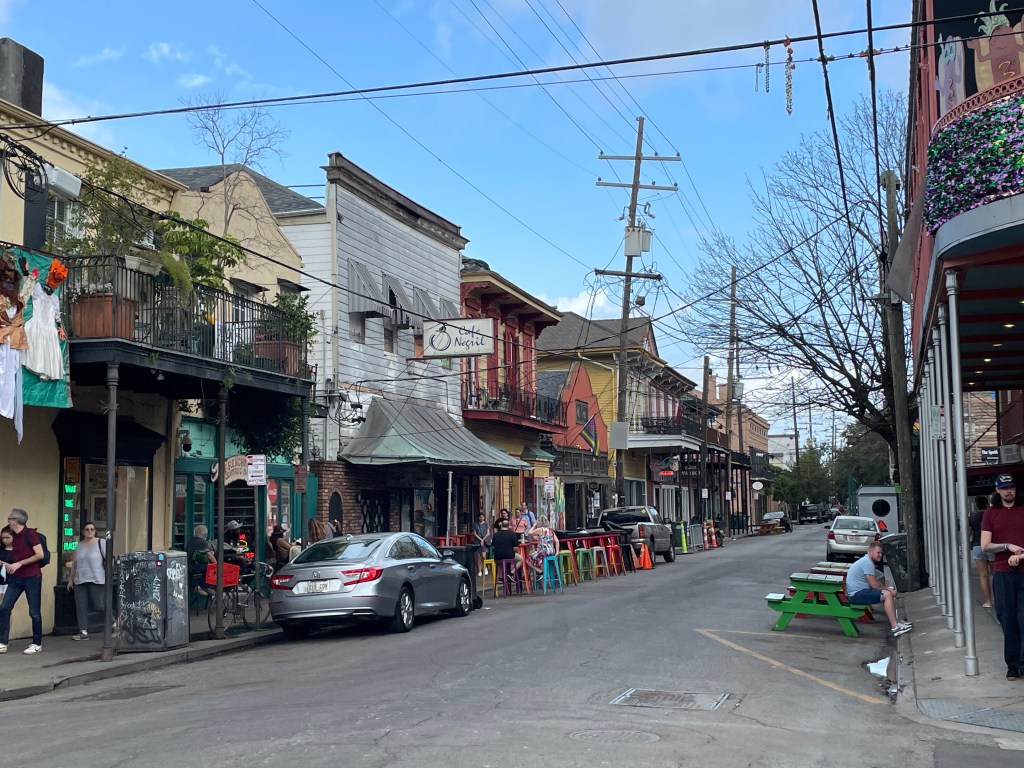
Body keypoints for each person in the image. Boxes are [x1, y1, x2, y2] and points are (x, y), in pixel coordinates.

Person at [981, 473, 1024, 681]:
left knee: (1023, 618)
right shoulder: (991, 514)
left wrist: (1021, 555)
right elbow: (985, 545)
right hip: (1003, 572)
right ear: (997, 490)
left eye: (1012, 487)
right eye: (1005, 488)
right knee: (1008, 619)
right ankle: (1013, 664)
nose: (1009, 491)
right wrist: (1007, 546)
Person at [0, 508, 45, 654]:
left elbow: (39, 554)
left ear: (17, 520)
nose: (8, 520)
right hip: (16, 578)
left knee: (34, 611)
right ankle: (3, 642)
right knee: (4, 607)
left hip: (32, 577)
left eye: (10, 518)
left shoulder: (30, 534)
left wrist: (20, 563)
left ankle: (37, 643)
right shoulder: (14, 536)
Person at [845, 541, 913, 638]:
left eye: (881, 553)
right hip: (856, 595)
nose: (880, 555)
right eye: (878, 553)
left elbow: (876, 582)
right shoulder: (867, 563)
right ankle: (895, 627)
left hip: (858, 592)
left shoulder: (866, 561)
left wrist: (886, 588)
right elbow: (874, 585)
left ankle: (897, 622)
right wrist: (889, 590)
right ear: (870, 551)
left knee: (887, 594)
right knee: (887, 595)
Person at [66, 522, 106, 641]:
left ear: (95, 531)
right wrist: (70, 579)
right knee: (81, 606)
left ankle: (113, 623)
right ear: (83, 532)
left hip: (96, 578)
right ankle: (83, 631)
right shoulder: (79, 545)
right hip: (80, 578)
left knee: (99, 604)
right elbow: (75, 564)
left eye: (92, 529)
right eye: (87, 529)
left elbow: (108, 559)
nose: (89, 531)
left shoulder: (101, 542)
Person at [969, 494, 995, 609]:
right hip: (991, 545)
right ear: (987, 504)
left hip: (977, 546)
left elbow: (968, 533)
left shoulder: (972, 517)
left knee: (983, 575)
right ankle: (998, 598)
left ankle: (988, 601)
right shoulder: (991, 514)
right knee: (995, 574)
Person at [185, 524, 216, 596]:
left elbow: (200, 553)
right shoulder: (202, 542)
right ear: (204, 534)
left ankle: (199, 587)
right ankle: (205, 586)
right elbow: (208, 554)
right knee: (211, 568)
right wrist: (216, 563)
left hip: (188, 566)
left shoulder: (191, 541)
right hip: (194, 567)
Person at [490, 519, 523, 584]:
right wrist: (517, 552)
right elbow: (515, 548)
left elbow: (493, 546)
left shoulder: (495, 535)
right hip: (509, 555)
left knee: (499, 562)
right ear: (508, 526)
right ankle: (511, 573)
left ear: (501, 525)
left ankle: (501, 577)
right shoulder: (512, 534)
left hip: (497, 556)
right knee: (520, 559)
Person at [472, 513, 490, 577]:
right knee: (478, 557)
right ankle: (479, 570)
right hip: (477, 541)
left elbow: (488, 533)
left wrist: (483, 540)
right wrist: (480, 539)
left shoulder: (486, 524)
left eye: (482, 517)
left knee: (483, 555)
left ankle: (485, 567)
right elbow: (474, 533)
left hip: (484, 541)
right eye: (480, 517)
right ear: (478, 518)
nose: (481, 518)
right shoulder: (475, 524)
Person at [0, 528, 15, 600]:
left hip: (12, 581)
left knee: (6, 605)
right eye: (3, 538)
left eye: (7, 537)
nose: (5, 540)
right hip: (0, 579)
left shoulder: (18, 550)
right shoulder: (1, 549)